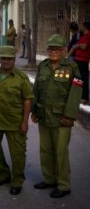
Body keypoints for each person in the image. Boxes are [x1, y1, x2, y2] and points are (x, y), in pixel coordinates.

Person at [32, 34, 82, 198]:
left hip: (61, 118)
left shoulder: (71, 67)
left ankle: (63, 184)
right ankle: (49, 179)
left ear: (64, 50)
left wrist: (69, 115)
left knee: (60, 152)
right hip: (44, 116)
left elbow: (76, 92)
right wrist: (35, 110)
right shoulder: (43, 66)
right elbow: (37, 89)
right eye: (51, 49)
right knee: (45, 150)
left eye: (57, 49)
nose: (53, 52)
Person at [0, 46, 33, 195]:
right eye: (3, 58)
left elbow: (27, 100)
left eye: (9, 59)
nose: (6, 61)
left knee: (18, 153)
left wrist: (25, 121)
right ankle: (3, 174)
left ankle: (17, 180)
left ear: (14, 60)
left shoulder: (21, 78)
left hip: (14, 121)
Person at [67, 21, 90, 104]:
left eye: (82, 26)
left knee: (83, 79)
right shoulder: (83, 36)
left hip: (83, 61)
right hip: (78, 60)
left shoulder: (88, 36)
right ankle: (77, 95)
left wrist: (77, 46)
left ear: (85, 27)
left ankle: (84, 98)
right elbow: (74, 47)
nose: (80, 27)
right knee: (77, 79)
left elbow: (84, 47)